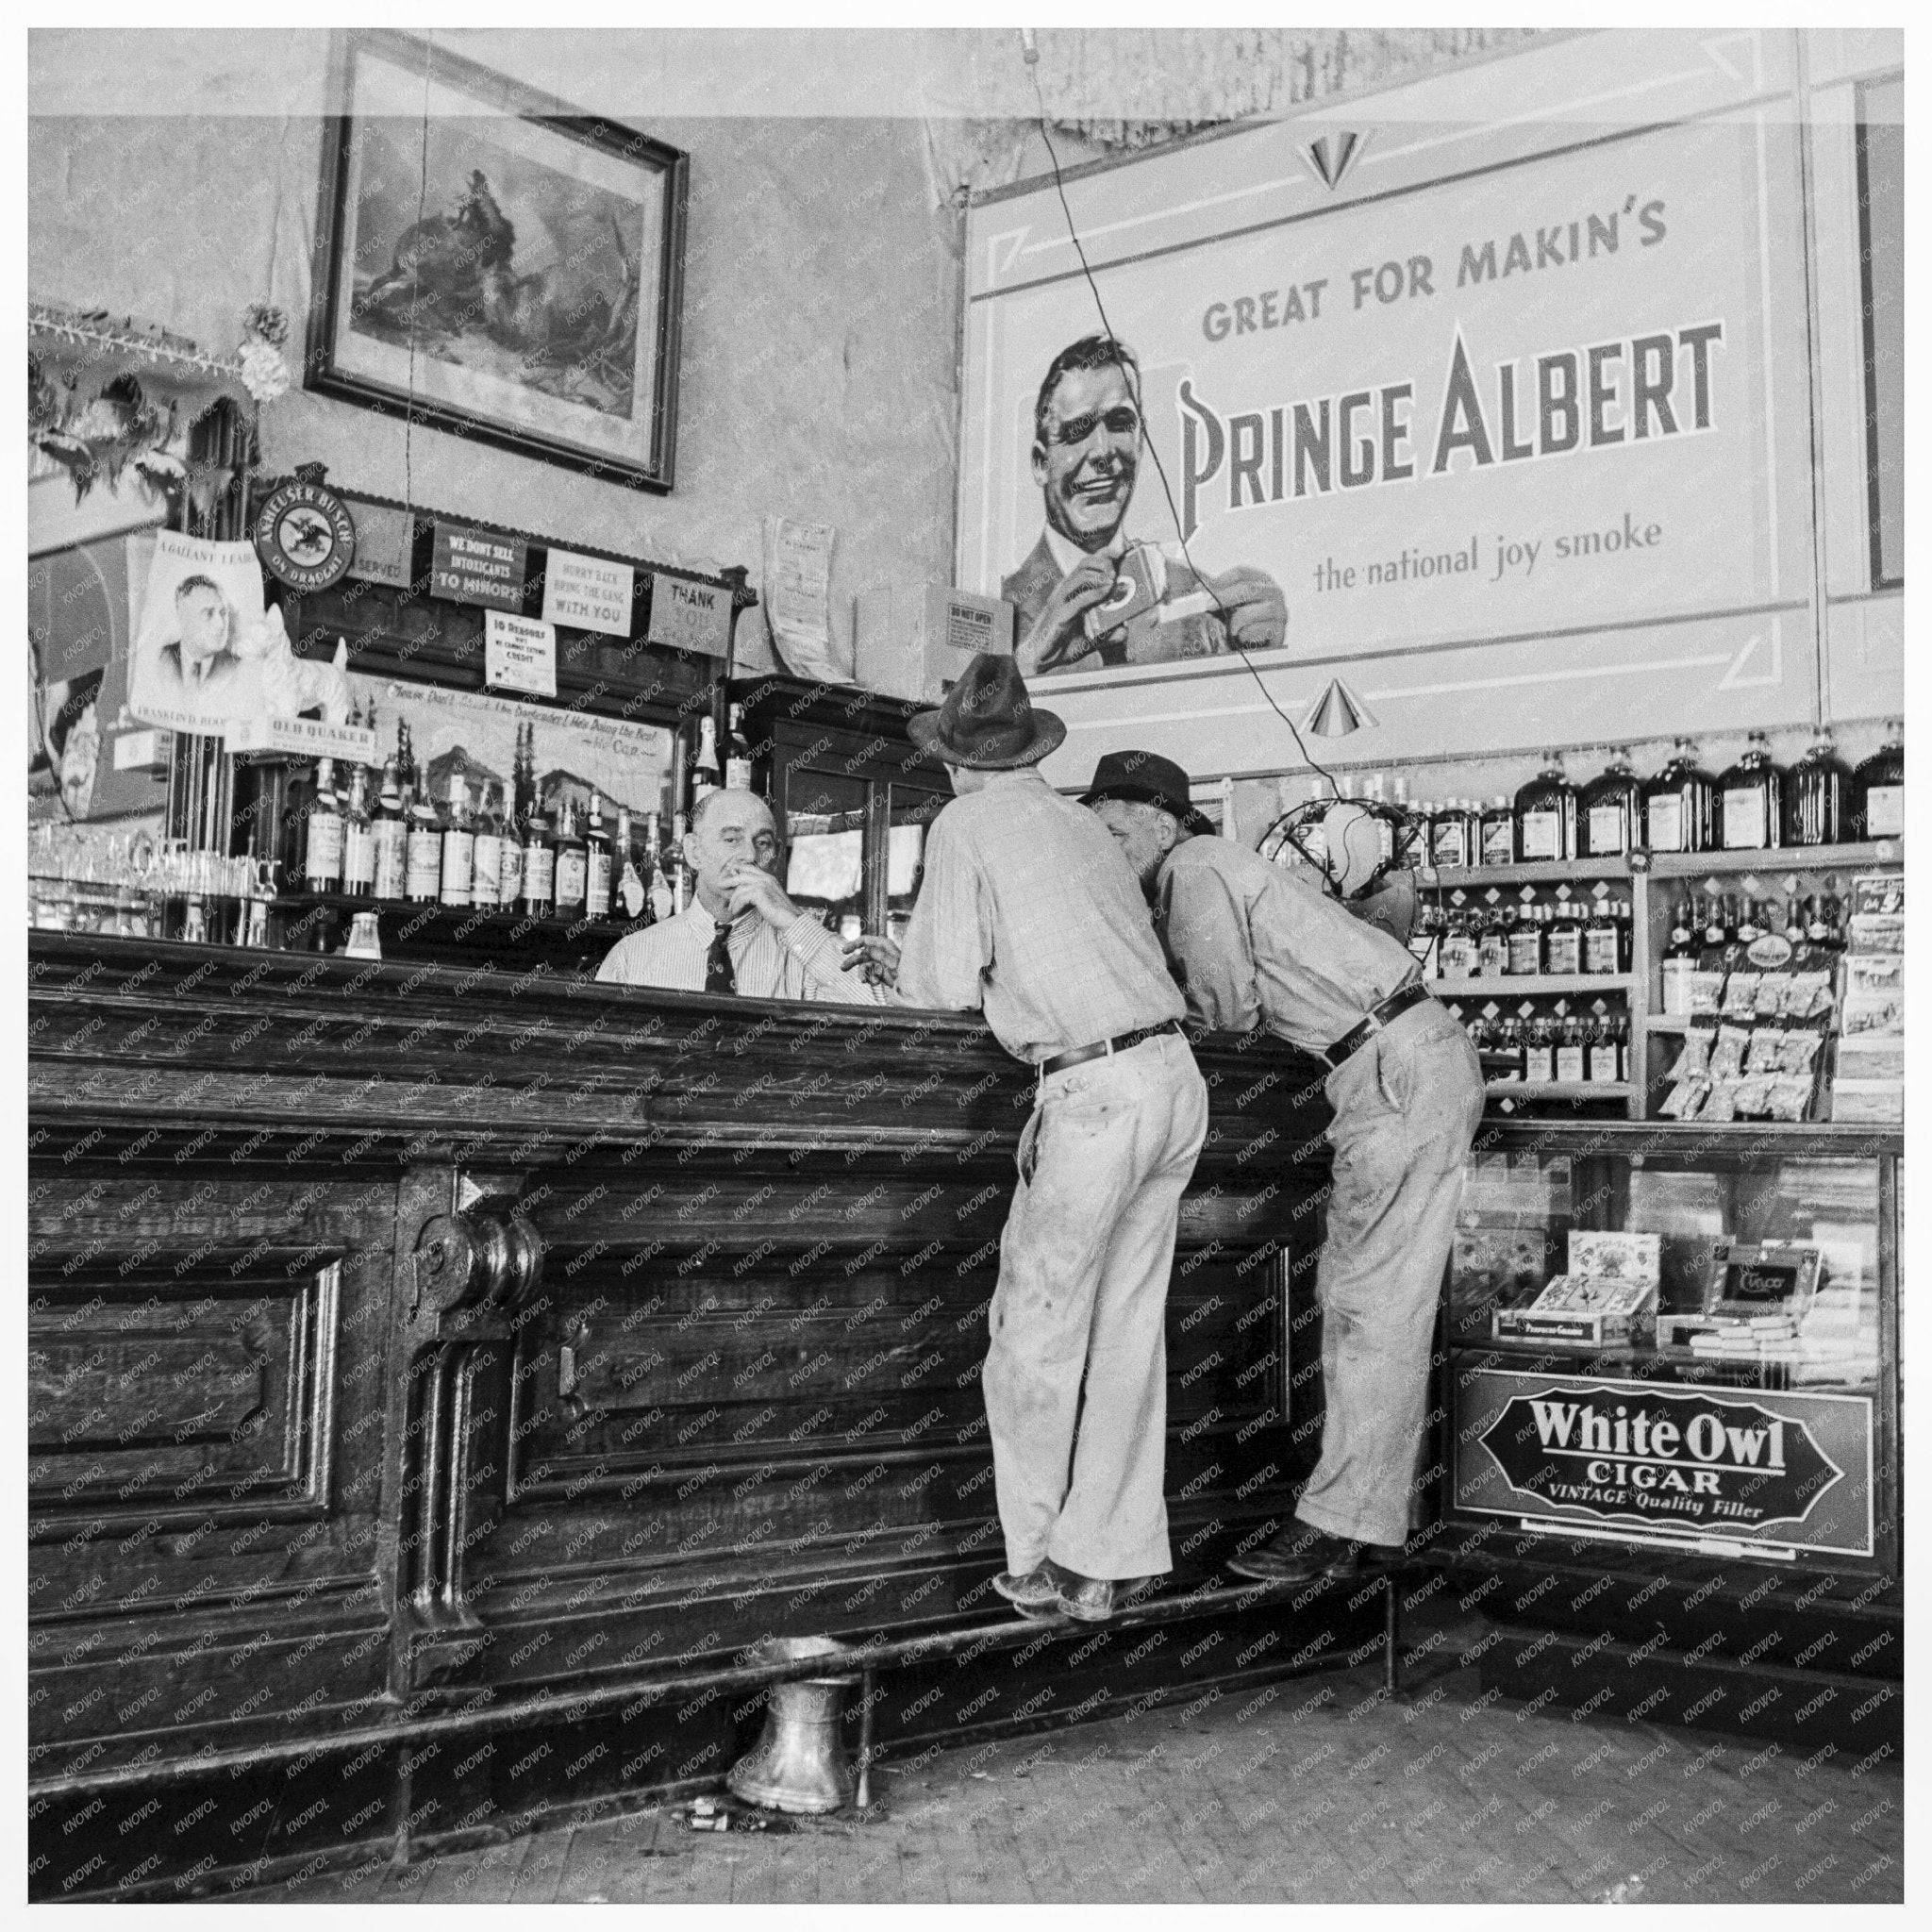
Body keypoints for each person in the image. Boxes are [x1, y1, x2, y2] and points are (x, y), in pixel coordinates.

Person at [1082, 748, 1485, 1584]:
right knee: (1366, 1301)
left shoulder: (1193, 868)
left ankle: (1338, 1528)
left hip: (1389, 1067)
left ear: (1161, 822)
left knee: (1372, 1306)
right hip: (1394, 1059)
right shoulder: (1208, 867)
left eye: (1117, 828)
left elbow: (1226, 1010)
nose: (1105, 846)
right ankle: (1366, 1519)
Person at [893, 656, 1208, 1624]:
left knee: (1032, 1332)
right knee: (1124, 1330)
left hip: (1094, 1094)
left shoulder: (964, 823)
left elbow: (938, 987)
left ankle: (1030, 1557)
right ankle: (1099, 1561)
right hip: (1171, 1079)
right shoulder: (1077, 821)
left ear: (954, 763)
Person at [1004, 334, 1288, 675]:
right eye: (1078, 430)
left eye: (1120, 423)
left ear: (1141, 441)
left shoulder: (1196, 598)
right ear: (1040, 463)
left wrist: (1262, 659)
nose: (1103, 452)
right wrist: (1026, 666)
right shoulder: (1001, 609)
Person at [596, 787, 892, 1001]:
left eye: (762, 842)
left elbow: (879, 1011)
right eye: (731, 839)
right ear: (694, 852)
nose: (749, 855)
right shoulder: (631, 958)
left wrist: (792, 921)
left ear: (775, 858)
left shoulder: (803, 956)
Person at [133, 575, 265, 721]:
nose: (221, 624)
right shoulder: (156, 660)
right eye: (208, 614)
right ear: (184, 618)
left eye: (223, 613)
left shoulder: (241, 669)